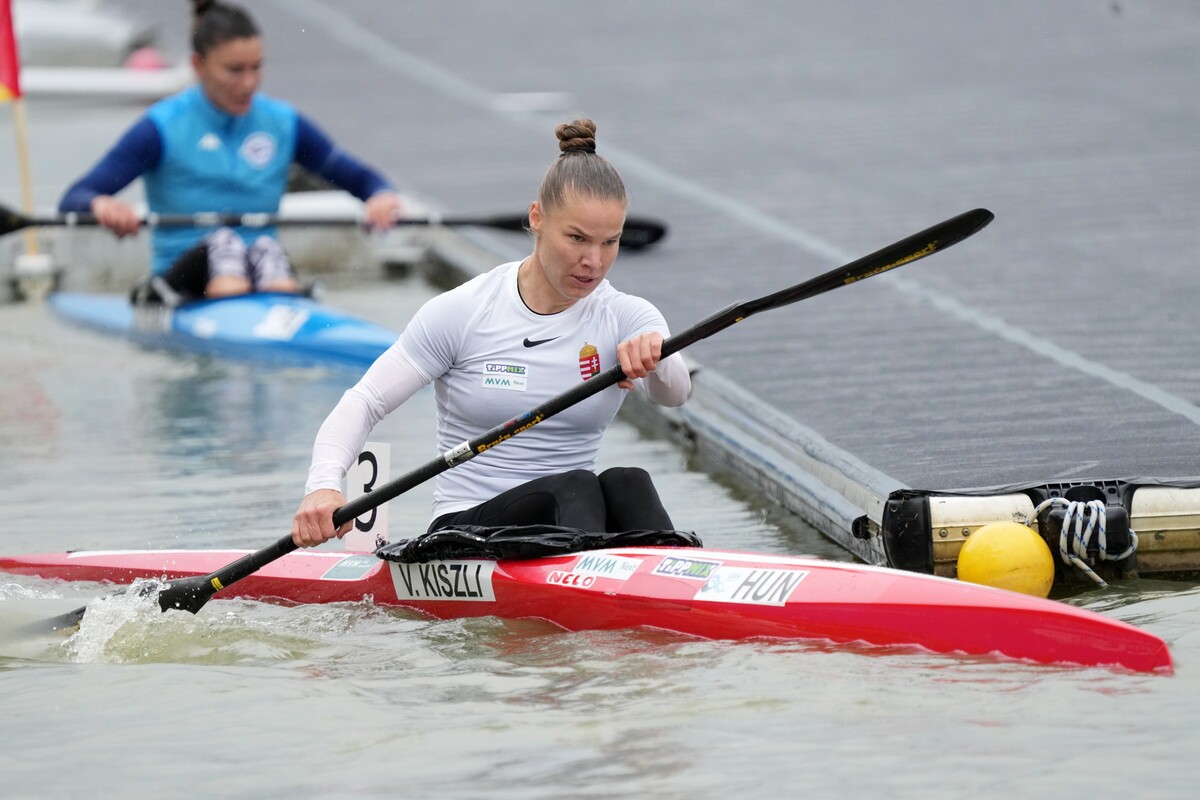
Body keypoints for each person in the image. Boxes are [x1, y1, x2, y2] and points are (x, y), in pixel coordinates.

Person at [291, 118, 691, 549]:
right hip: (465, 529)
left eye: (610, 242)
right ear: (537, 218)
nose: (593, 261)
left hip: (571, 519)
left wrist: (657, 356)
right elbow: (365, 402)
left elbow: (675, 394)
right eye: (577, 238)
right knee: (575, 487)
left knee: (628, 482)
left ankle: (679, 592)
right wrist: (323, 485)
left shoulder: (625, 315)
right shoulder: (465, 311)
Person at [58, 0, 402, 301]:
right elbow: (74, 198)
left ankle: (274, 303)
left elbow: (358, 177)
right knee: (225, 243)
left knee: (263, 249)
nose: (248, 83)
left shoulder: (282, 122)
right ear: (198, 65)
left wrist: (380, 195)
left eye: (256, 67)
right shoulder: (161, 128)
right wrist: (100, 204)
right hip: (181, 280)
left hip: (259, 270)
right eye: (234, 70)